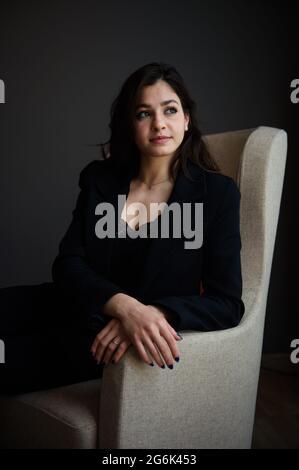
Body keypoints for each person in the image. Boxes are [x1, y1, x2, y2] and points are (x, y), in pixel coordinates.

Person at [0, 62, 245, 395]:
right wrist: (124, 306)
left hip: (105, 339)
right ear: (131, 124)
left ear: (186, 119)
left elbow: (227, 303)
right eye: (144, 113)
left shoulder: (217, 194)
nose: (159, 123)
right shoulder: (100, 179)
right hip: (72, 302)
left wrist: (151, 314)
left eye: (170, 110)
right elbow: (68, 264)